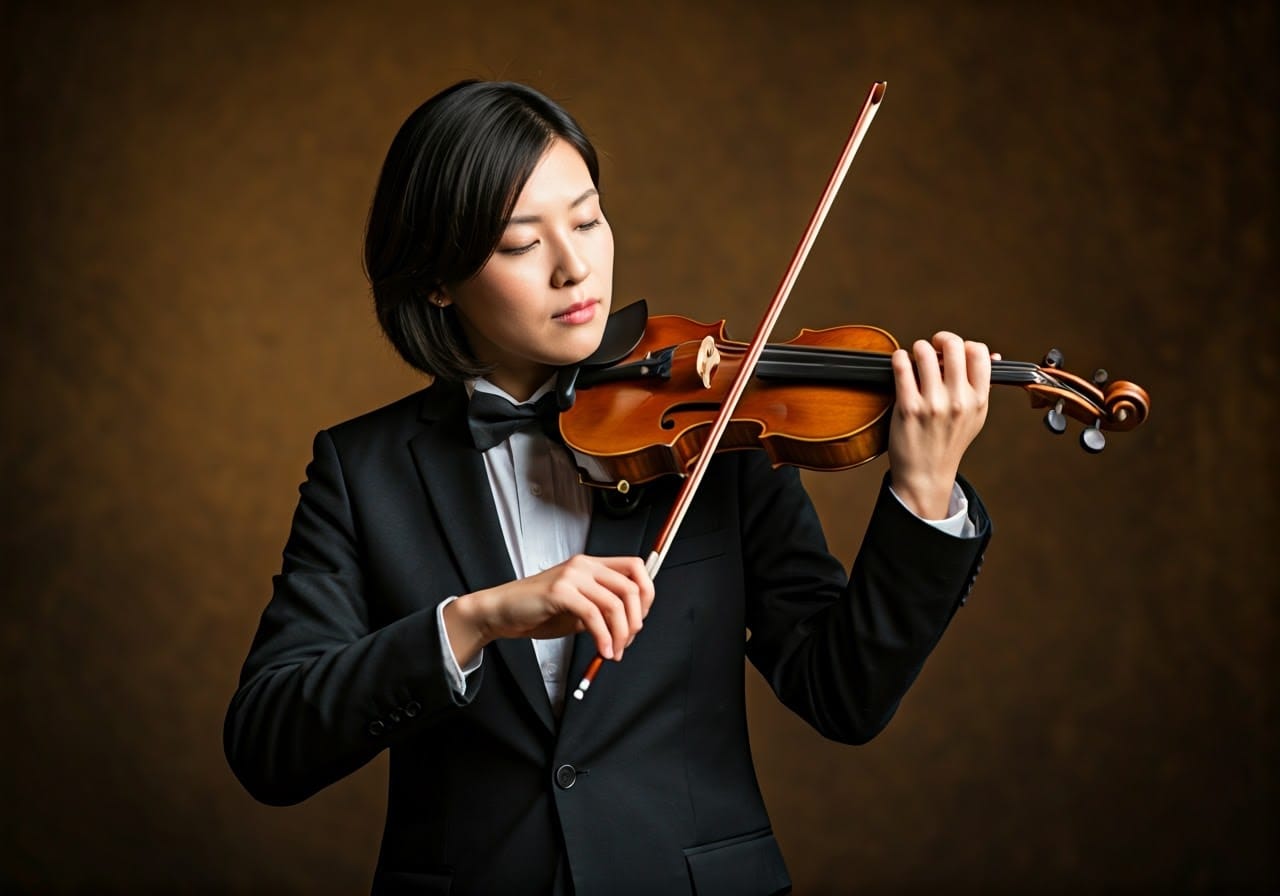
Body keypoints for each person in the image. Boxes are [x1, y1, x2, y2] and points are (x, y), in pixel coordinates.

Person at [224, 79, 993, 896]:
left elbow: (843, 695)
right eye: (521, 244)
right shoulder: (361, 470)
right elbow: (270, 744)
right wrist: (475, 621)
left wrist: (924, 488)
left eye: (588, 219)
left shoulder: (712, 428)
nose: (575, 266)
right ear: (438, 281)